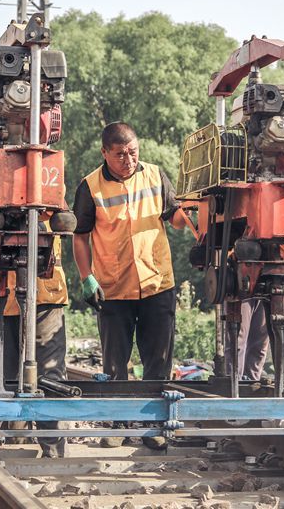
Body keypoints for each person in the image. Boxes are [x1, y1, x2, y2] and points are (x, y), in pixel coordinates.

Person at [71, 122, 190, 450]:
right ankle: (117, 423)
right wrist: (86, 277)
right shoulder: (90, 187)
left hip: (157, 283)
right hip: (112, 288)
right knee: (115, 363)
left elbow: (175, 217)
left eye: (133, 152)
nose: (128, 159)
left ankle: (153, 428)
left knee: (158, 361)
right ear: (105, 153)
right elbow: (79, 237)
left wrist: (193, 213)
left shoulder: (154, 175)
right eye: (120, 154)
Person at [0, 235, 69, 458]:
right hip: (2, 290)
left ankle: (53, 451)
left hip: (43, 291)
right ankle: (14, 446)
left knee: (49, 377)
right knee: (8, 378)